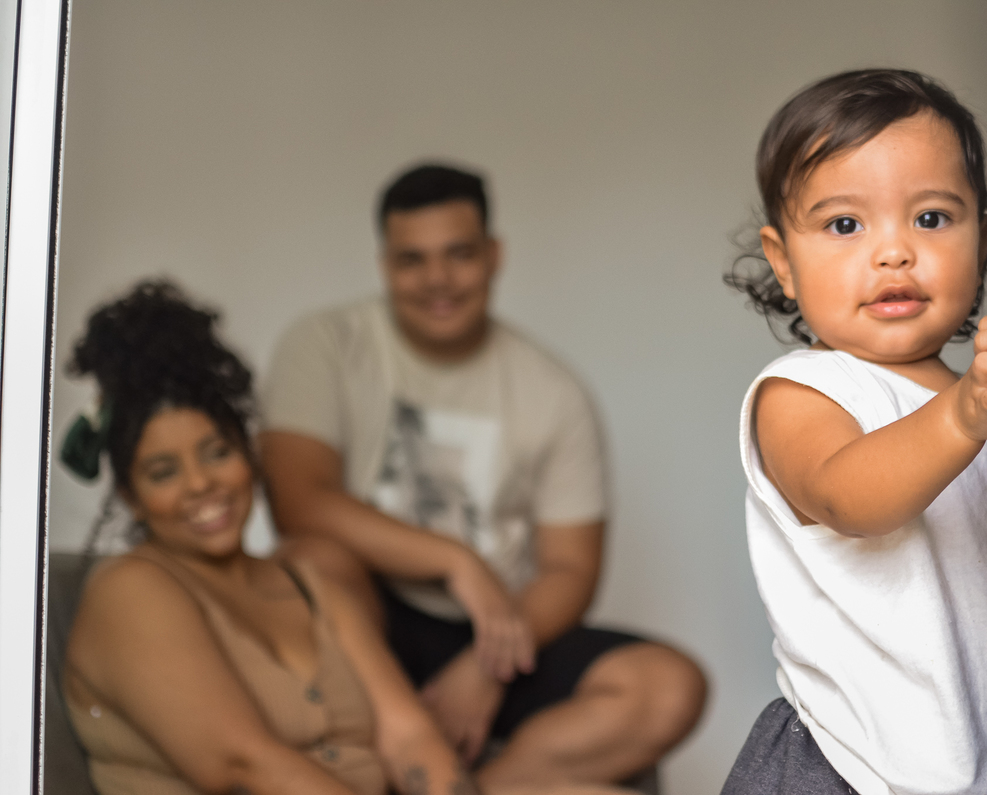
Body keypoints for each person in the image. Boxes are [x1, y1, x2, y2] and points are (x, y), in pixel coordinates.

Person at [59, 281, 624, 795]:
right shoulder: (131, 590)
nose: (201, 484)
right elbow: (241, 765)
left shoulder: (310, 587)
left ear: (252, 457)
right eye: (164, 472)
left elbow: (410, 741)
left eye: (217, 453)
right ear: (132, 495)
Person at [258, 165, 706, 789]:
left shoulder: (553, 391)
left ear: (494, 257)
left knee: (669, 687)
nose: (437, 279)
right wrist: (455, 561)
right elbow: (298, 503)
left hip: (499, 630)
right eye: (412, 260)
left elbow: (571, 570)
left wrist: (488, 666)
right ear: (386, 265)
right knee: (309, 560)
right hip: (367, 618)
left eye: (459, 255)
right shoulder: (326, 344)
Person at [721, 70, 987, 795]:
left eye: (931, 218)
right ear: (784, 262)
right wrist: (961, 418)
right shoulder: (801, 393)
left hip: (971, 762)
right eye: (846, 225)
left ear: (981, 240)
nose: (894, 252)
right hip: (837, 763)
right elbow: (850, 494)